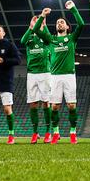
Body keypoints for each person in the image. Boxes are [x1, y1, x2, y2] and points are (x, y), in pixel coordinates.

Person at [33, 1, 85, 144]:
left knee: (71, 106)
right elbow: (36, 30)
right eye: (57, 22)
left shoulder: (72, 39)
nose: (59, 24)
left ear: (67, 27)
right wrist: (43, 16)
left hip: (69, 75)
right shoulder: (51, 40)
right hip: (54, 77)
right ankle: (56, 132)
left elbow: (81, 24)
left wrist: (73, 9)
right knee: (54, 106)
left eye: (62, 22)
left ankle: (73, 132)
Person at [20, 16, 53, 144]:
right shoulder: (30, 37)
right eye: (34, 21)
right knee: (33, 103)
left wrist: (44, 25)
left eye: (38, 21)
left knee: (46, 102)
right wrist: (30, 27)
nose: (37, 23)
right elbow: (22, 41)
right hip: (32, 73)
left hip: (45, 72)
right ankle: (35, 133)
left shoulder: (44, 36)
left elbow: (49, 39)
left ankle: (48, 132)